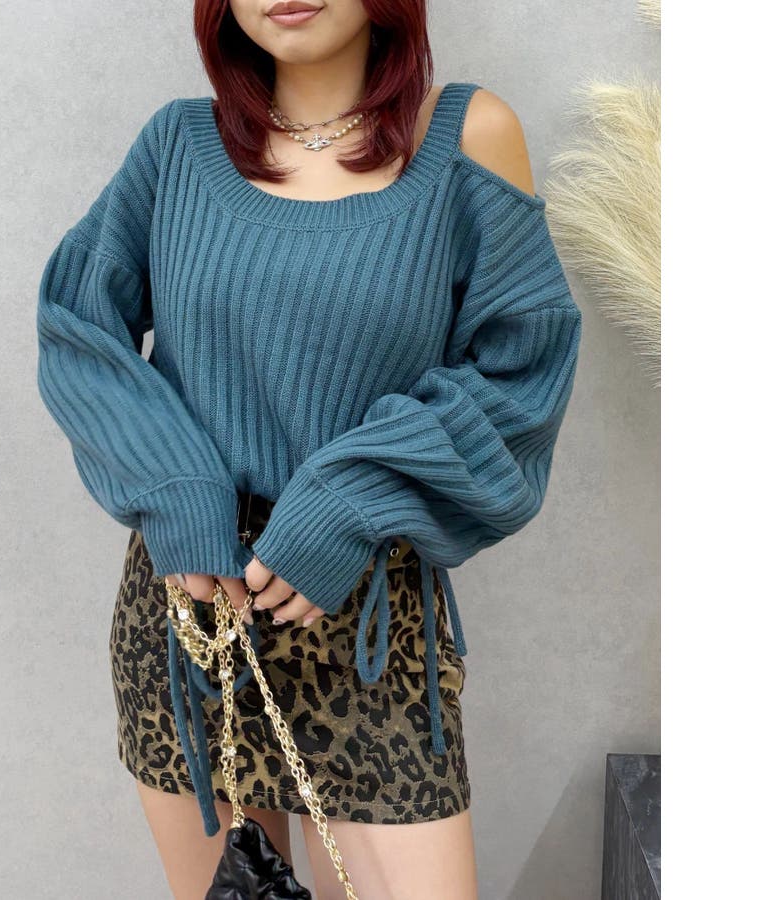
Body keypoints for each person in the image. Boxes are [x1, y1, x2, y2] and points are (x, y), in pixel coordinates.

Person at [36, 1, 583, 897]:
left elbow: (523, 374)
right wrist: (178, 489)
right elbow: (77, 329)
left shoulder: (465, 136)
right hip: (196, 607)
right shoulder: (178, 147)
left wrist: (349, 496)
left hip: (366, 615)